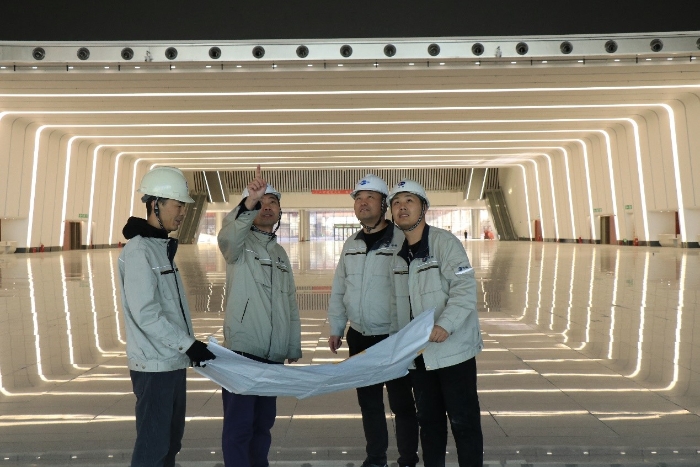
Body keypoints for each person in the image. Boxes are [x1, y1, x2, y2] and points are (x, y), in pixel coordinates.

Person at [118, 166, 216, 467]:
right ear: (155, 204)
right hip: (154, 365)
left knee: (171, 441)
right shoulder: (139, 251)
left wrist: (186, 347)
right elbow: (146, 313)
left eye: (184, 206)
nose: (183, 212)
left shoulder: (161, 248)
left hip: (171, 360)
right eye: (177, 205)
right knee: (154, 444)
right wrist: (187, 344)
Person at [388, 179, 484, 467]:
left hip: (453, 352)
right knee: (429, 424)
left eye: (409, 201)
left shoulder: (445, 243)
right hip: (419, 356)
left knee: (464, 422)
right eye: (396, 203)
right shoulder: (397, 255)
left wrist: (446, 324)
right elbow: (398, 306)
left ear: (424, 208)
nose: (402, 207)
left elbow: (465, 288)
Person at [328, 174, 419, 467]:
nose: (363, 203)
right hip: (359, 336)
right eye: (358, 198)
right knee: (369, 404)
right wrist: (336, 327)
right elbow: (340, 287)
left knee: (402, 404)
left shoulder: (401, 240)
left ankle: (408, 458)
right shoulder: (351, 243)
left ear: (383, 205)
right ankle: (376, 458)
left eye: (370, 197)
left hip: (393, 337)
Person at [217, 166, 302, 467]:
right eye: (261, 202)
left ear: (280, 211)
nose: (267, 206)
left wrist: (291, 345)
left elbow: (289, 303)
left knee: (263, 425)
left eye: (272, 202)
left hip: (273, 355)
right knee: (239, 426)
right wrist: (248, 202)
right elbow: (228, 236)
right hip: (243, 350)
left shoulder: (280, 253)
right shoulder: (239, 246)